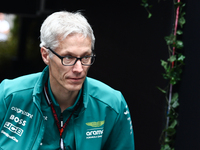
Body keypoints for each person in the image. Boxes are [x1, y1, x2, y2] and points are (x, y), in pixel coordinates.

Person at [0, 11, 135, 150]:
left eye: (85, 57)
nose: (79, 69)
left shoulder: (112, 105)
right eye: (68, 57)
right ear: (46, 55)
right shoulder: (8, 96)